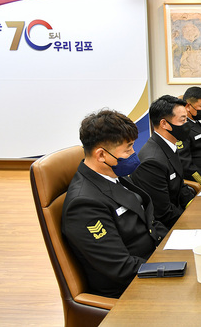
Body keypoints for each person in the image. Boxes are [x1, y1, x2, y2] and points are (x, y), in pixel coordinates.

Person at [61, 109, 168, 298]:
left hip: (152, 260)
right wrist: (173, 268)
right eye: (128, 149)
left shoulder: (113, 176)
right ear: (101, 155)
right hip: (130, 289)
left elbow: (147, 220)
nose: (134, 153)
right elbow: (120, 268)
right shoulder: (84, 205)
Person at [132, 95, 197, 229]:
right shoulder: (152, 161)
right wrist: (194, 223)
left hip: (179, 213)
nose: (187, 124)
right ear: (164, 123)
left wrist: (195, 207)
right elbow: (163, 213)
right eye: (183, 120)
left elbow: (180, 185)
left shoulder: (169, 144)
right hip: (166, 226)